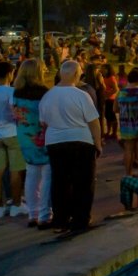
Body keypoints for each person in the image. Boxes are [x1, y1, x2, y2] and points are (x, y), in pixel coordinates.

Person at [39, 60, 102, 235]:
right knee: (83, 182)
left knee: (60, 181)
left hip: (55, 142)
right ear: (76, 74)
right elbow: (93, 122)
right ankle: (80, 219)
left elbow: (43, 122)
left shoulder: (48, 96)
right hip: (80, 140)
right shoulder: (81, 96)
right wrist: (97, 143)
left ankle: (60, 220)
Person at [12, 59, 52, 227]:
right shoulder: (43, 92)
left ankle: (32, 213)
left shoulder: (17, 92)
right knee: (47, 175)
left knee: (31, 174)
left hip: (24, 136)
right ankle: (44, 214)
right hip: (41, 136)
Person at [0, 62, 26, 218]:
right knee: (15, 171)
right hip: (12, 133)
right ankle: (16, 205)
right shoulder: (11, 91)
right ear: (10, 73)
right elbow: (15, 112)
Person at [116, 69, 138, 176]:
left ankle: (128, 174)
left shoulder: (121, 93)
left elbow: (115, 109)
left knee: (128, 150)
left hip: (126, 126)